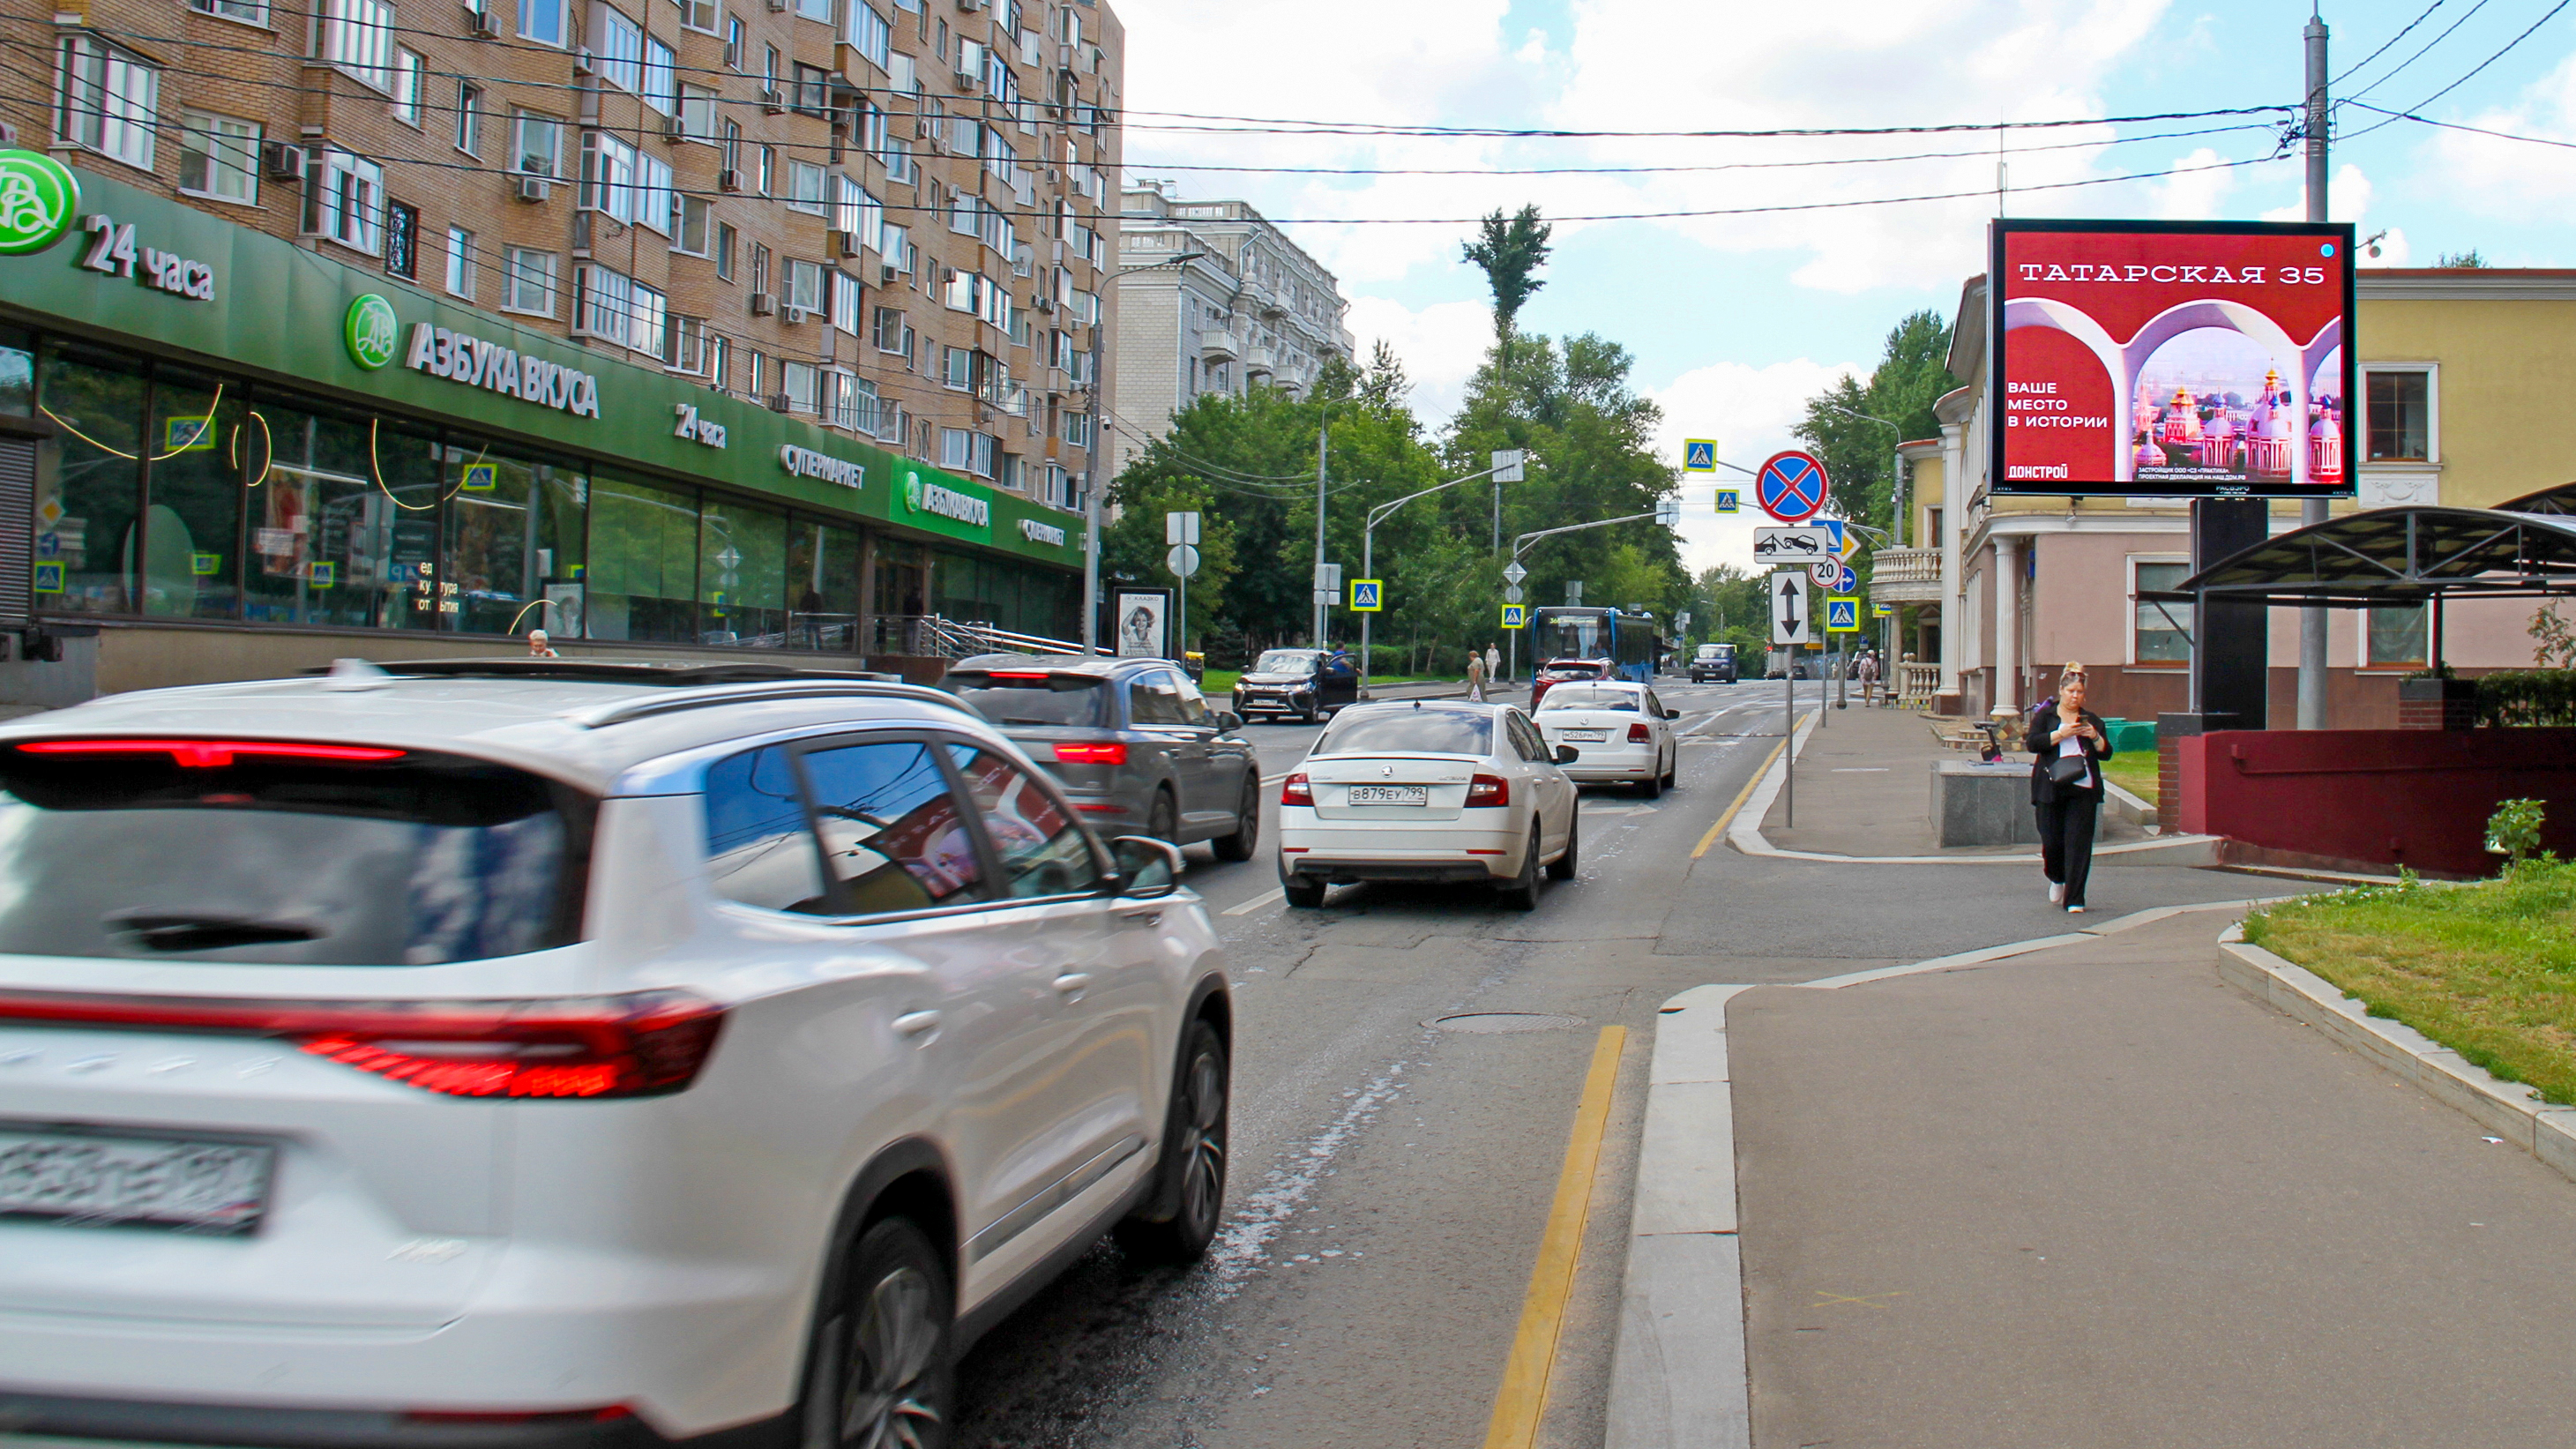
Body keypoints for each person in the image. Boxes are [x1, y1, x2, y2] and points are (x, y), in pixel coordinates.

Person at [2028, 666, 2111, 914]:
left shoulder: (2091, 719)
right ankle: (2057, 877)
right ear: (2061, 691)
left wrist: (2094, 736)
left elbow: (2106, 753)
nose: (2075, 696)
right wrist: (2059, 734)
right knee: (2052, 841)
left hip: (2082, 787)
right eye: (2071, 691)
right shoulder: (2046, 716)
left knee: (2079, 844)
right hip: (2050, 786)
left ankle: (2075, 898)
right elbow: (2032, 743)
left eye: (2080, 692)